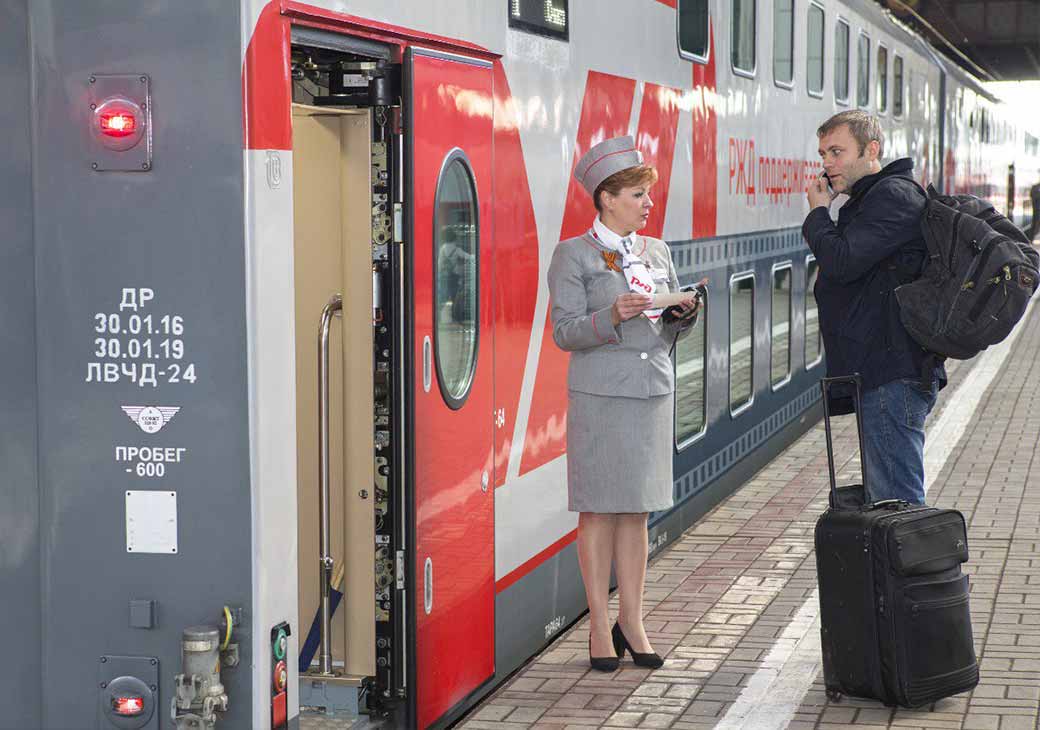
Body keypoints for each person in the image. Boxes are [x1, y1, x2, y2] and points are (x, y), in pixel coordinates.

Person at [547, 136, 701, 671]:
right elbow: (564, 333)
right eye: (638, 194)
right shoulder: (573, 254)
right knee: (598, 511)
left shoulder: (656, 251)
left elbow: (668, 323)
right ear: (607, 198)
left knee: (636, 512)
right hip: (600, 398)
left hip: (650, 393)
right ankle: (597, 624)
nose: (647, 203)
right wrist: (612, 315)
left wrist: (683, 314)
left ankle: (632, 620)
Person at [803, 110, 946, 506]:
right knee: (888, 502)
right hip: (881, 372)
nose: (827, 162)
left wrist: (817, 213)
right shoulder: (873, 199)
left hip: (891, 375)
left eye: (837, 151)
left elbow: (843, 260)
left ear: (872, 150)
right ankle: (897, 570)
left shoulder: (892, 197)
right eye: (823, 153)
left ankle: (908, 571)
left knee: (897, 506)